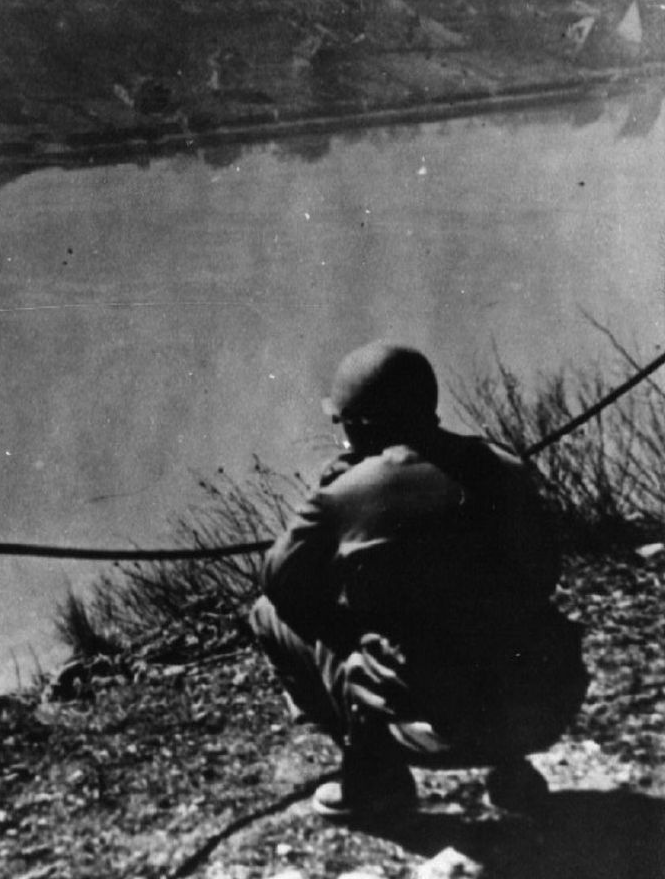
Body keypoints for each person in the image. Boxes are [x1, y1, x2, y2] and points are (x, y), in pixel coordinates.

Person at [248, 341, 588, 820]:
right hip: (541, 709)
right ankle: (514, 773)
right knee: (497, 618)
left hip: (431, 731)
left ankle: (374, 777)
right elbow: (544, 573)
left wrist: (332, 505)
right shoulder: (504, 466)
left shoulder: (346, 493)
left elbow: (278, 581)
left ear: (359, 425)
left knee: (269, 615)